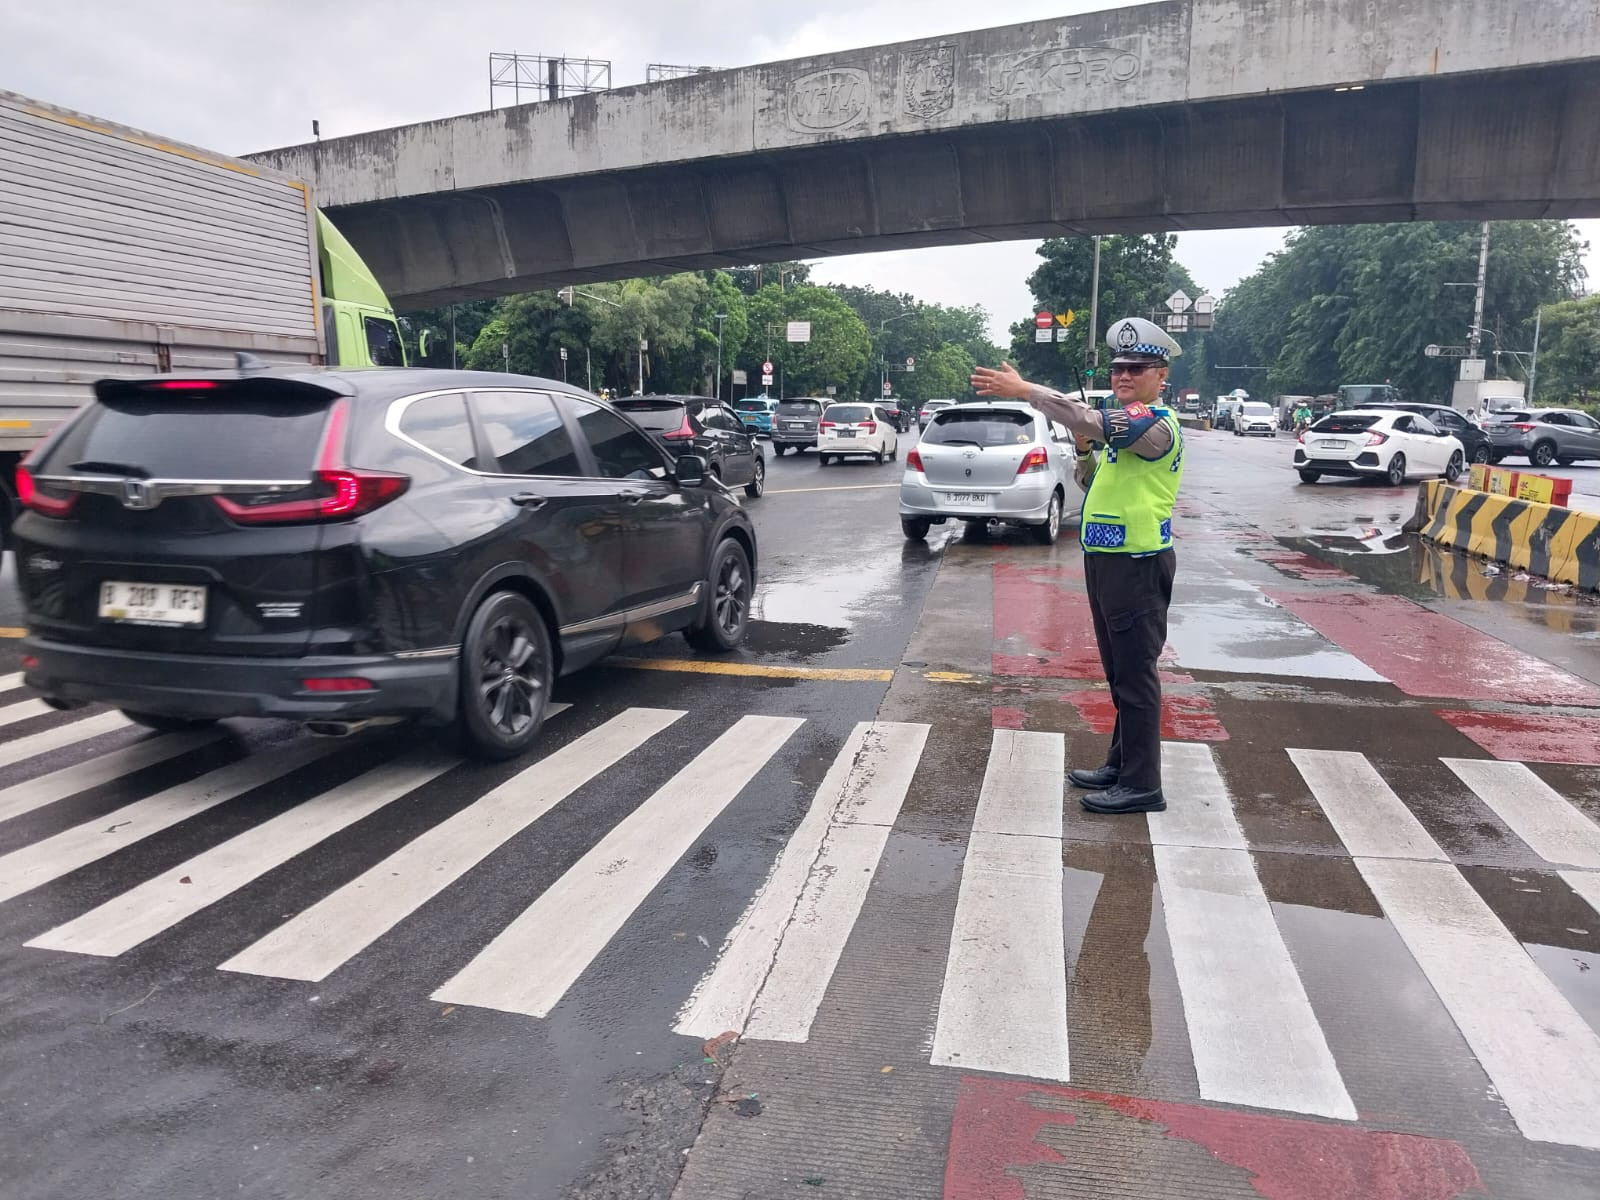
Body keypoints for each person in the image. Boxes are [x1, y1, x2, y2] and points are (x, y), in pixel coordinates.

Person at [970, 317, 1185, 815]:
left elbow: (1087, 419)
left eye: (1136, 367)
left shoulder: (1154, 424)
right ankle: (1121, 764)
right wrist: (1087, 452)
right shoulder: (1125, 430)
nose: (1123, 376)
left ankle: (1142, 784)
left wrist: (1026, 390)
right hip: (1108, 563)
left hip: (1138, 564)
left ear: (1161, 375)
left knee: (1136, 677)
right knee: (1118, 674)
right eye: (1118, 368)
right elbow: (1093, 481)